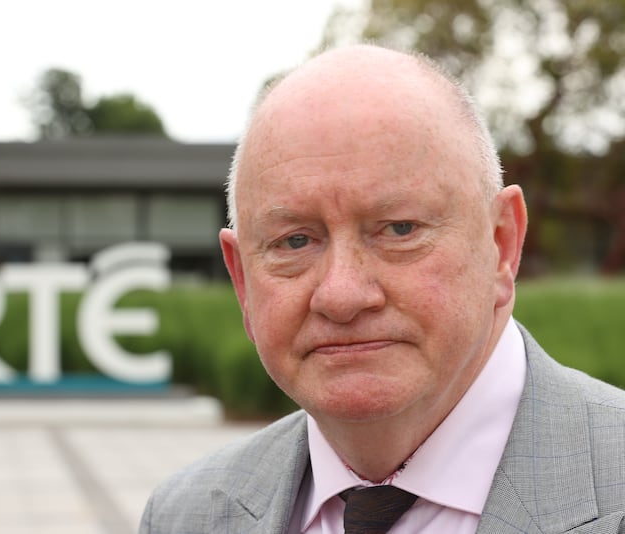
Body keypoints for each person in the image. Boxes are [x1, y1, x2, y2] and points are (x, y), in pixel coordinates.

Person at [139, 44, 625, 533]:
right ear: (242, 280)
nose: (342, 295)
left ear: (501, 245)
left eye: (398, 230)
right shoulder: (185, 515)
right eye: (296, 241)